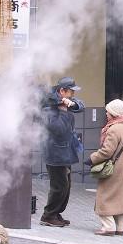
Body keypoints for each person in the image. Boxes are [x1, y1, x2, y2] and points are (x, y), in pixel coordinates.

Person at [40, 77, 85, 228]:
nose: (72, 94)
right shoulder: (49, 107)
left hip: (65, 150)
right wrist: (64, 111)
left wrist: (72, 104)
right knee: (59, 186)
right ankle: (48, 215)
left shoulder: (64, 101)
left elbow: (81, 106)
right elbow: (58, 129)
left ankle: (56, 212)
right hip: (55, 153)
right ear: (62, 91)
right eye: (70, 92)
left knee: (67, 185)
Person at [85, 99, 123, 236]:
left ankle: (108, 227)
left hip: (113, 169)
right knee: (119, 197)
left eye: (108, 111)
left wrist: (92, 158)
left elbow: (107, 151)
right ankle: (119, 227)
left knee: (104, 196)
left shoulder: (114, 129)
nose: (106, 113)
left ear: (114, 113)